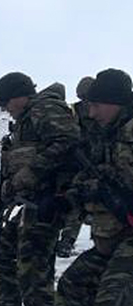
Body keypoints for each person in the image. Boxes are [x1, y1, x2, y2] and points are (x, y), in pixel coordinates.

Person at [37, 69, 133, 306]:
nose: (89, 112)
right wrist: (66, 200)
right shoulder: (105, 134)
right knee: (76, 282)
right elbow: (93, 176)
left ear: (116, 102)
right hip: (115, 235)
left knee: (116, 293)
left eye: (96, 105)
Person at [0, 73, 79, 306]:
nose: (5, 109)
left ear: (18, 95)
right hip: (30, 204)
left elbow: (69, 140)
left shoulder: (45, 108)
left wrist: (31, 172)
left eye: (5, 102)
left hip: (50, 203)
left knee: (33, 270)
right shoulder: (25, 121)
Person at [56, 76, 97, 258]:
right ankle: (68, 241)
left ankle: (69, 241)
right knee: (78, 202)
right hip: (81, 163)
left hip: (89, 163)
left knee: (83, 203)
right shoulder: (75, 111)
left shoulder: (75, 110)